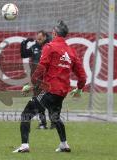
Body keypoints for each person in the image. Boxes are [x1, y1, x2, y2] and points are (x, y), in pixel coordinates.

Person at [13, 20, 86, 153]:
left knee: (26, 114)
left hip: (49, 89)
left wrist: (31, 85)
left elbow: (41, 67)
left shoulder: (50, 47)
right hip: (62, 92)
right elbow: (82, 76)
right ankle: (64, 144)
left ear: (54, 33)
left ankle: (24, 146)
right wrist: (80, 88)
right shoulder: (72, 51)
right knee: (54, 116)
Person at [20, 30, 55, 129]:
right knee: (38, 102)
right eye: (37, 38)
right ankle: (42, 124)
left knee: (49, 102)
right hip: (36, 79)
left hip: (47, 79)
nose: (38, 40)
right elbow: (24, 54)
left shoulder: (49, 47)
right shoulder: (34, 47)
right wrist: (24, 43)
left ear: (44, 37)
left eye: (40, 39)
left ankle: (54, 122)